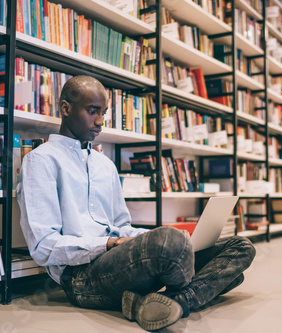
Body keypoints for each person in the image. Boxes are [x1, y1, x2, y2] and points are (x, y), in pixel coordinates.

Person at [16, 75, 256, 331]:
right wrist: (111, 243)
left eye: (104, 112)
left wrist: (150, 237)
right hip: (81, 277)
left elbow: (122, 226)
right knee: (206, 264)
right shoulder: (41, 161)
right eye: (92, 111)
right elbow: (43, 246)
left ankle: (171, 302)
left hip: (123, 264)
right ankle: (191, 293)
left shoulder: (104, 165)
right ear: (65, 108)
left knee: (240, 246)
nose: (100, 122)